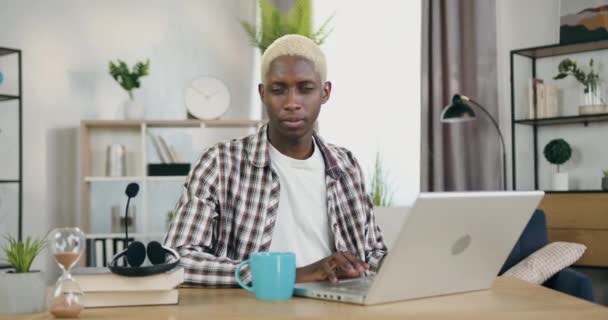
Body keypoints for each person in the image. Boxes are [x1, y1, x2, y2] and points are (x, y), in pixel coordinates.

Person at [164, 34, 387, 287]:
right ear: (262, 93)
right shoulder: (219, 164)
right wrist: (289, 275)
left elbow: (374, 254)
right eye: (278, 90)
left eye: (305, 89)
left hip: (338, 306)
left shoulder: (346, 166)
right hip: (254, 309)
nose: (292, 103)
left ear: (325, 93)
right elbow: (179, 259)